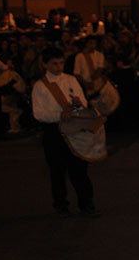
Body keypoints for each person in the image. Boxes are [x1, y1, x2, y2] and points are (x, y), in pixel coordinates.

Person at [31, 47, 100, 217]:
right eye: (54, 63)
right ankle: (61, 205)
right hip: (53, 131)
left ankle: (87, 204)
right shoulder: (40, 86)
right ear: (45, 64)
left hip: (74, 129)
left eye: (61, 63)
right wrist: (59, 115)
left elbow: (83, 102)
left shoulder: (71, 80)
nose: (59, 67)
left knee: (79, 169)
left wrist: (78, 104)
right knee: (57, 171)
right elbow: (38, 114)